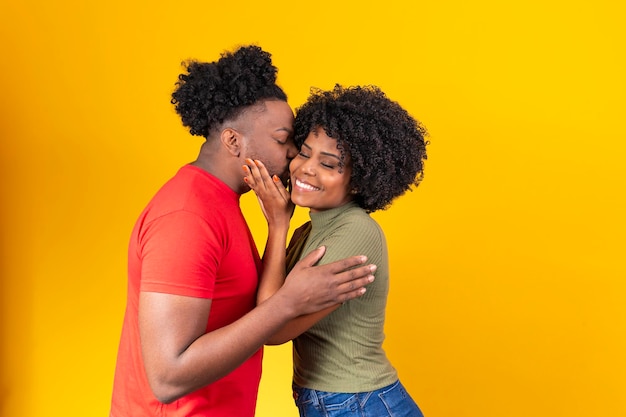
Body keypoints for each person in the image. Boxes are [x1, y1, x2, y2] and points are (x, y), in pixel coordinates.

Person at [109, 46, 377, 417]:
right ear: (234, 141)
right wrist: (288, 302)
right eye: (283, 140)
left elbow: (246, 309)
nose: (292, 155)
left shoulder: (222, 202)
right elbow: (168, 377)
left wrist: (278, 226)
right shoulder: (186, 217)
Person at [243, 84, 428, 416]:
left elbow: (271, 327)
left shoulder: (355, 232)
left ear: (358, 181)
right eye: (304, 152)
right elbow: (267, 304)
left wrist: (276, 226)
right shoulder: (310, 229)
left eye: (328, 164)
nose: (306, 168)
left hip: (360, 404)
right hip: (341, 402)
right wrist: (282, 225)